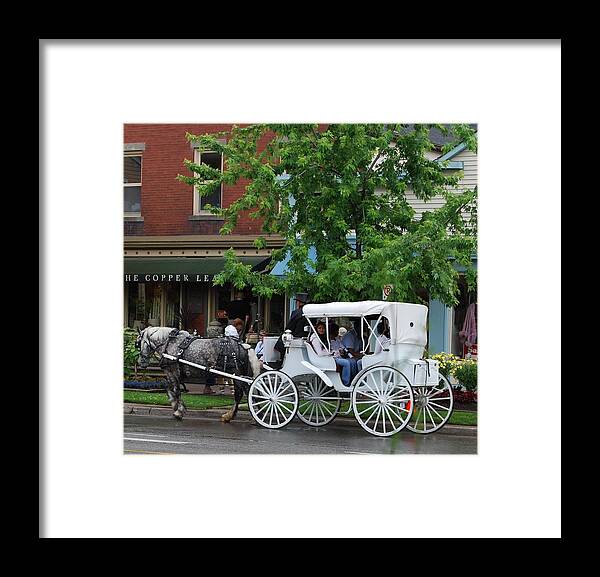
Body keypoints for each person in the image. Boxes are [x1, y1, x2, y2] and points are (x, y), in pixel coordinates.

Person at [308, 320, 355, 387]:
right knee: (346, 363)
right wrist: (332, 352)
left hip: (330, 357)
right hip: (325, 358)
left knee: (351, 361)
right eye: (319, 328)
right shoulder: (316, 338)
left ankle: (351, 380)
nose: (321, 330)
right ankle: (346, 383)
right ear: (316, 329)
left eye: (323, 328)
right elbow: (320, 353)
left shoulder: (323, 337)